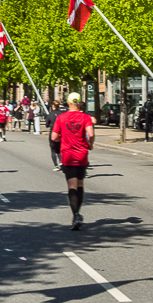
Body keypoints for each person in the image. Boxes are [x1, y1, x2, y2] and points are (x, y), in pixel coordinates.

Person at [51, 92, 95, 230]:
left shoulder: (61, 117)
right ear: (80, 103)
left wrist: (61, 138)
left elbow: (54, 137)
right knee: (80, 184)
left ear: (68, 103)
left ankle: (75, 215)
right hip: (82, 154)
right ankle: (78, 213)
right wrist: (90, 145)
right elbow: (91, 134)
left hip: (68, 155)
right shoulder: (85, 117)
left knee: (71, 186)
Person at [46, 100, 64, 169]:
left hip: (53, 132)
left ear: (53, 106)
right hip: (61, 132)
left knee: (53, 149)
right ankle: (61, 161)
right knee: (60, 148)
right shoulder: (61, 114)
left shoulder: (50, 115)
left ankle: (56, 165)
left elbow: (47, 124)